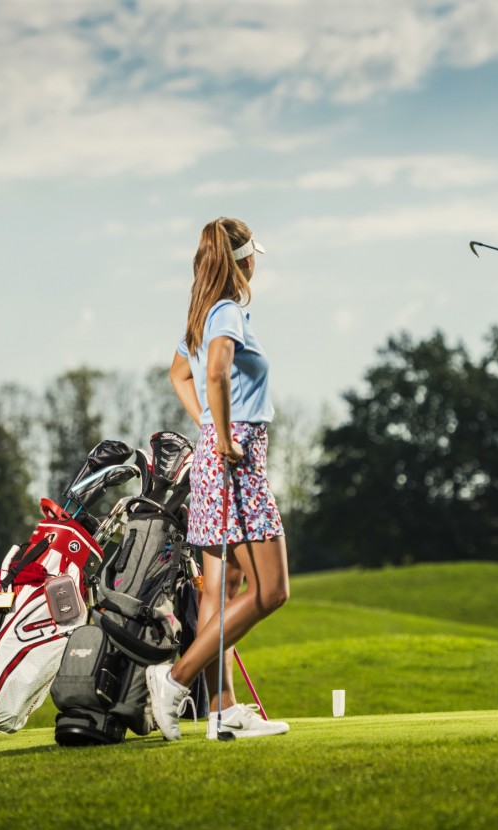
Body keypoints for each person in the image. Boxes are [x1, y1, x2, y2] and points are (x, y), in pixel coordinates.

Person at [146, 216, 290, 741]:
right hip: (234, 456)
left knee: (221, 588)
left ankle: (223, 711)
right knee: (271, 590)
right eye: (253, 255)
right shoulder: (228, 310)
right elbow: (214, 372)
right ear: (243, 259)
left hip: (215, 453)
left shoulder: (200, 313)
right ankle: (175, 679)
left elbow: (178, 375)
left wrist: (208, 424)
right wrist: (224, 433)